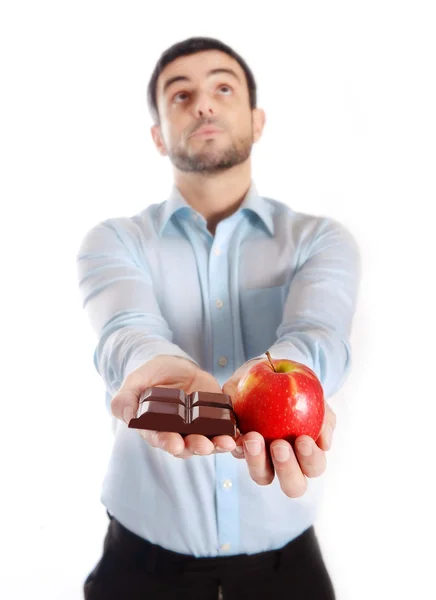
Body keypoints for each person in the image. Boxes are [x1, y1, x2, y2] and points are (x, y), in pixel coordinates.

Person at [76, 36, 360, 600]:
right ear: (158, 136)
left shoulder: (319, 241)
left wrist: (285, 384)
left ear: (256, 122)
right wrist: (157, 367)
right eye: (180, 95)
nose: (203, 103)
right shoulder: (114, 241)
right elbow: (125, 328)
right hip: (140, 560)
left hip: (287, 562)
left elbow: (318, 337)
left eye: (222, 87)